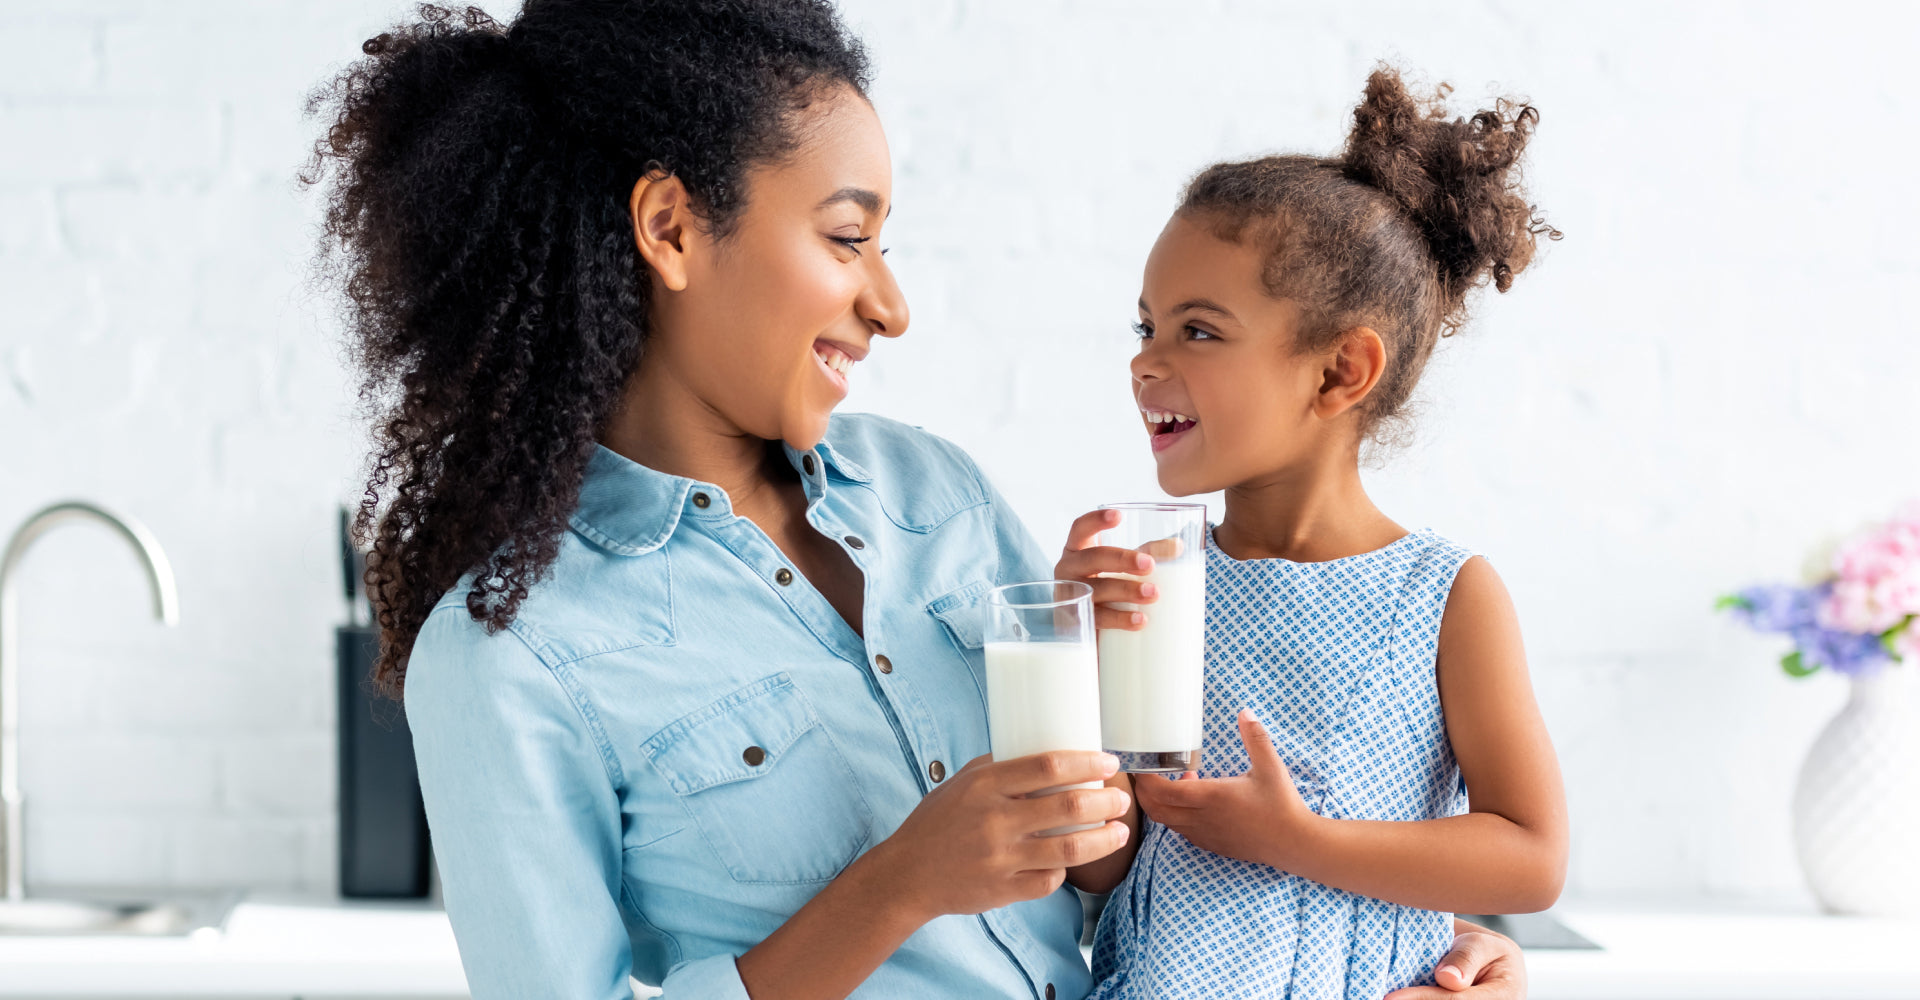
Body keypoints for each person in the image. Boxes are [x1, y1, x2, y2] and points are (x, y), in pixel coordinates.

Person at [305, 2, 1535, 996]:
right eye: (849, 239)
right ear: (671, 227)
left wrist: (1427, 941)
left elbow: (1107, 877)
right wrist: (898, 883)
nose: (891, 304)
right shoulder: (505, 650)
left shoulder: (929, 491)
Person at [1052, 68, 1570, 999]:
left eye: (1198, 331)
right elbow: (1102, 868)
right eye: (1146, 325)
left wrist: (1293, 840)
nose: (1144, 360)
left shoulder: (1446, 596)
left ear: (1340, 371)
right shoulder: (1156, 583)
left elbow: (1530, 858)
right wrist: (1072, 664)